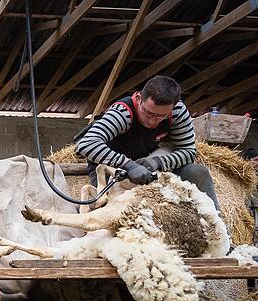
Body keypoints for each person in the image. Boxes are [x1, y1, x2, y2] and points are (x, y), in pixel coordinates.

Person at [75, 75, 220, 210]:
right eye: (148, 113)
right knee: (111, 209)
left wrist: (157, 162)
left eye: (160, 116)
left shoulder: (177, 112)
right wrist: (128, 165)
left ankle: (219, 232)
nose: (152, 121)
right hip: (112, 167)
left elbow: (188, 151)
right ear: (139, 98)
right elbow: (87, 144)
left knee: (198, 173)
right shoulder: (123, 112)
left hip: (148, 164)